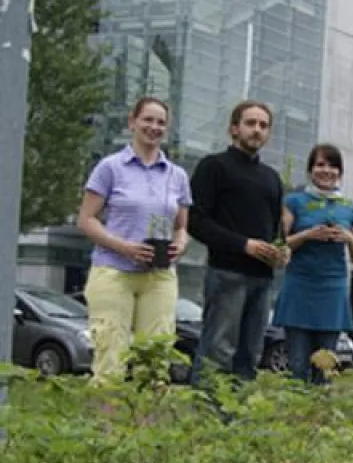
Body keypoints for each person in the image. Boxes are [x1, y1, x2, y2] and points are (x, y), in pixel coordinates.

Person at [77, 96, 191, 381]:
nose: (154, 127)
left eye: (161, 122)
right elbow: (86, 220)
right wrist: (124, 247)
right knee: (110, 360)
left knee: (154, 362)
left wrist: (181, 243)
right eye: (148, 120)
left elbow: (181, 226)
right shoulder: (111, 167)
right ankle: (106, 424)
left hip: (159, 276)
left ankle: (145, 424)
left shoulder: (176, 176)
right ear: (133, 122)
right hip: (114, 271)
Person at [187, 100, 287, 382]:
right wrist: (244, 245)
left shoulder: (272, 178)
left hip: (263, 279)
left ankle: (236, 420)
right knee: (217, 353)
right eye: (251, 123)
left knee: (250, 357)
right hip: (226, 273)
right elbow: (195, 221)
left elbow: (277, 229)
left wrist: (282, 250)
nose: (257, 130)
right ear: (234, 128)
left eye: (263, 125)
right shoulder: (213, 167)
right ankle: (207, 419)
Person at [270, 144, 353, 385]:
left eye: (333, 166)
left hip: (332, 290)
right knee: (298, 365)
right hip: (300, 286)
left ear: (340, 172)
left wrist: (348, 238)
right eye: (320, 165)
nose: (327, 171)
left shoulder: (351, 209)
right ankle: (296, 417)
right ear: (310, 169)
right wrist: (307, 235)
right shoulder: (294, 201)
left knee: (325, 368)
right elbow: (279, 245)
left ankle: (320, 417)